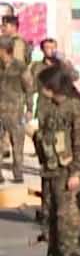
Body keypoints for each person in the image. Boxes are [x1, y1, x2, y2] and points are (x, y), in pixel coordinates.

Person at [32, 64, 80, 256]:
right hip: (51, 170)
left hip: (67, 171)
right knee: (51, 218)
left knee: (69, 219)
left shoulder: (75, 107)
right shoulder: (51, 107)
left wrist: (76, 171)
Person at [0, 19, 30, 184]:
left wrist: (30, 108)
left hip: (15, 111)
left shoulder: (20, 67)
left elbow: (29, 88)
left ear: (4, 50)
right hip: (0, 111)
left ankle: (18, 173)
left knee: (17, 144)